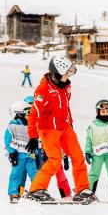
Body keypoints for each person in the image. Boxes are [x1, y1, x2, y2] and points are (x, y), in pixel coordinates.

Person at [25, 56, 96, 203]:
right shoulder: (43, 90)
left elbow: (66, 107)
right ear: (56, 73)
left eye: (70, 73)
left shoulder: (66, 86)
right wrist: (32, 136)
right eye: (66, 73)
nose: (68, 77)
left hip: (64, 127)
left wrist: (70, 123)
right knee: (55, 160)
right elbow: (34, 114)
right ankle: (36, 190)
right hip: (49, 129)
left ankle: (82, 189)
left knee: (78, 156)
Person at [22, 95, 72, 199]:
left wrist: (65, 157)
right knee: (38, 174)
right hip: (39, 154)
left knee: (60, 174)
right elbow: (29, 142)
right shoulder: (30, 124)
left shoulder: (48, 119)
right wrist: (34, 155)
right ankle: (36, 192)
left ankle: (66, 195)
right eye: (30, 108)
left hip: (52, 152)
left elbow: (59, 138)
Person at [4, 101, 38, 203]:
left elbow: (35, 141)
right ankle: (14, 193)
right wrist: (12, 153)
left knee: (35, 174)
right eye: (28, 112)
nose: (30, 115)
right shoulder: (13, 126)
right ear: (20, 113)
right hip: (18, 156)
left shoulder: (31, 126)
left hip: (31, 156)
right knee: (16, 174)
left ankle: (36, 191)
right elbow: (7, 140)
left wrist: (38, 153)